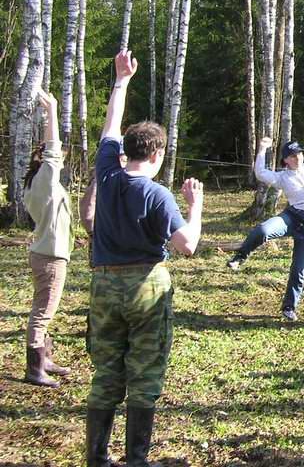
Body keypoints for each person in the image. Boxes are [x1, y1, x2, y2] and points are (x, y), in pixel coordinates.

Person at [86, 50, 204, 467]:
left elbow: (110, 126)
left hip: (103, 283)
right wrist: (195, 206)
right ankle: (136, 459)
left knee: (105, 373)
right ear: (155, 155)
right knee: (145, 373)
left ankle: (97, 458)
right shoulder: (157, 194)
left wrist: (121, 81)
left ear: (126, 151)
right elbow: (186, 245)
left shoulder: (108, 172)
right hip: (145, 286)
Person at [226, 125, 304, 321]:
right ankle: (240, 257)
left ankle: (289, 307)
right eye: (293, 156)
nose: (298, 158)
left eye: (299, 154)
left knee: (299, 268)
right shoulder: (282, 177)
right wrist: (262, 149)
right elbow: (260, 173)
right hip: (291, 217)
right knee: (263, 230)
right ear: (285, 160)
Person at [22, 89, 73, 388]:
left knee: (44, 307)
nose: (62, 159)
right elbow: (53, 147)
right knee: (43, 312)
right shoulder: (45, 181)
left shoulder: (36, 184)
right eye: (57, 158)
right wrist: (51, 111)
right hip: (50, 258)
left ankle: (46, 358)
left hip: (45, 254)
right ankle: (34, 368)